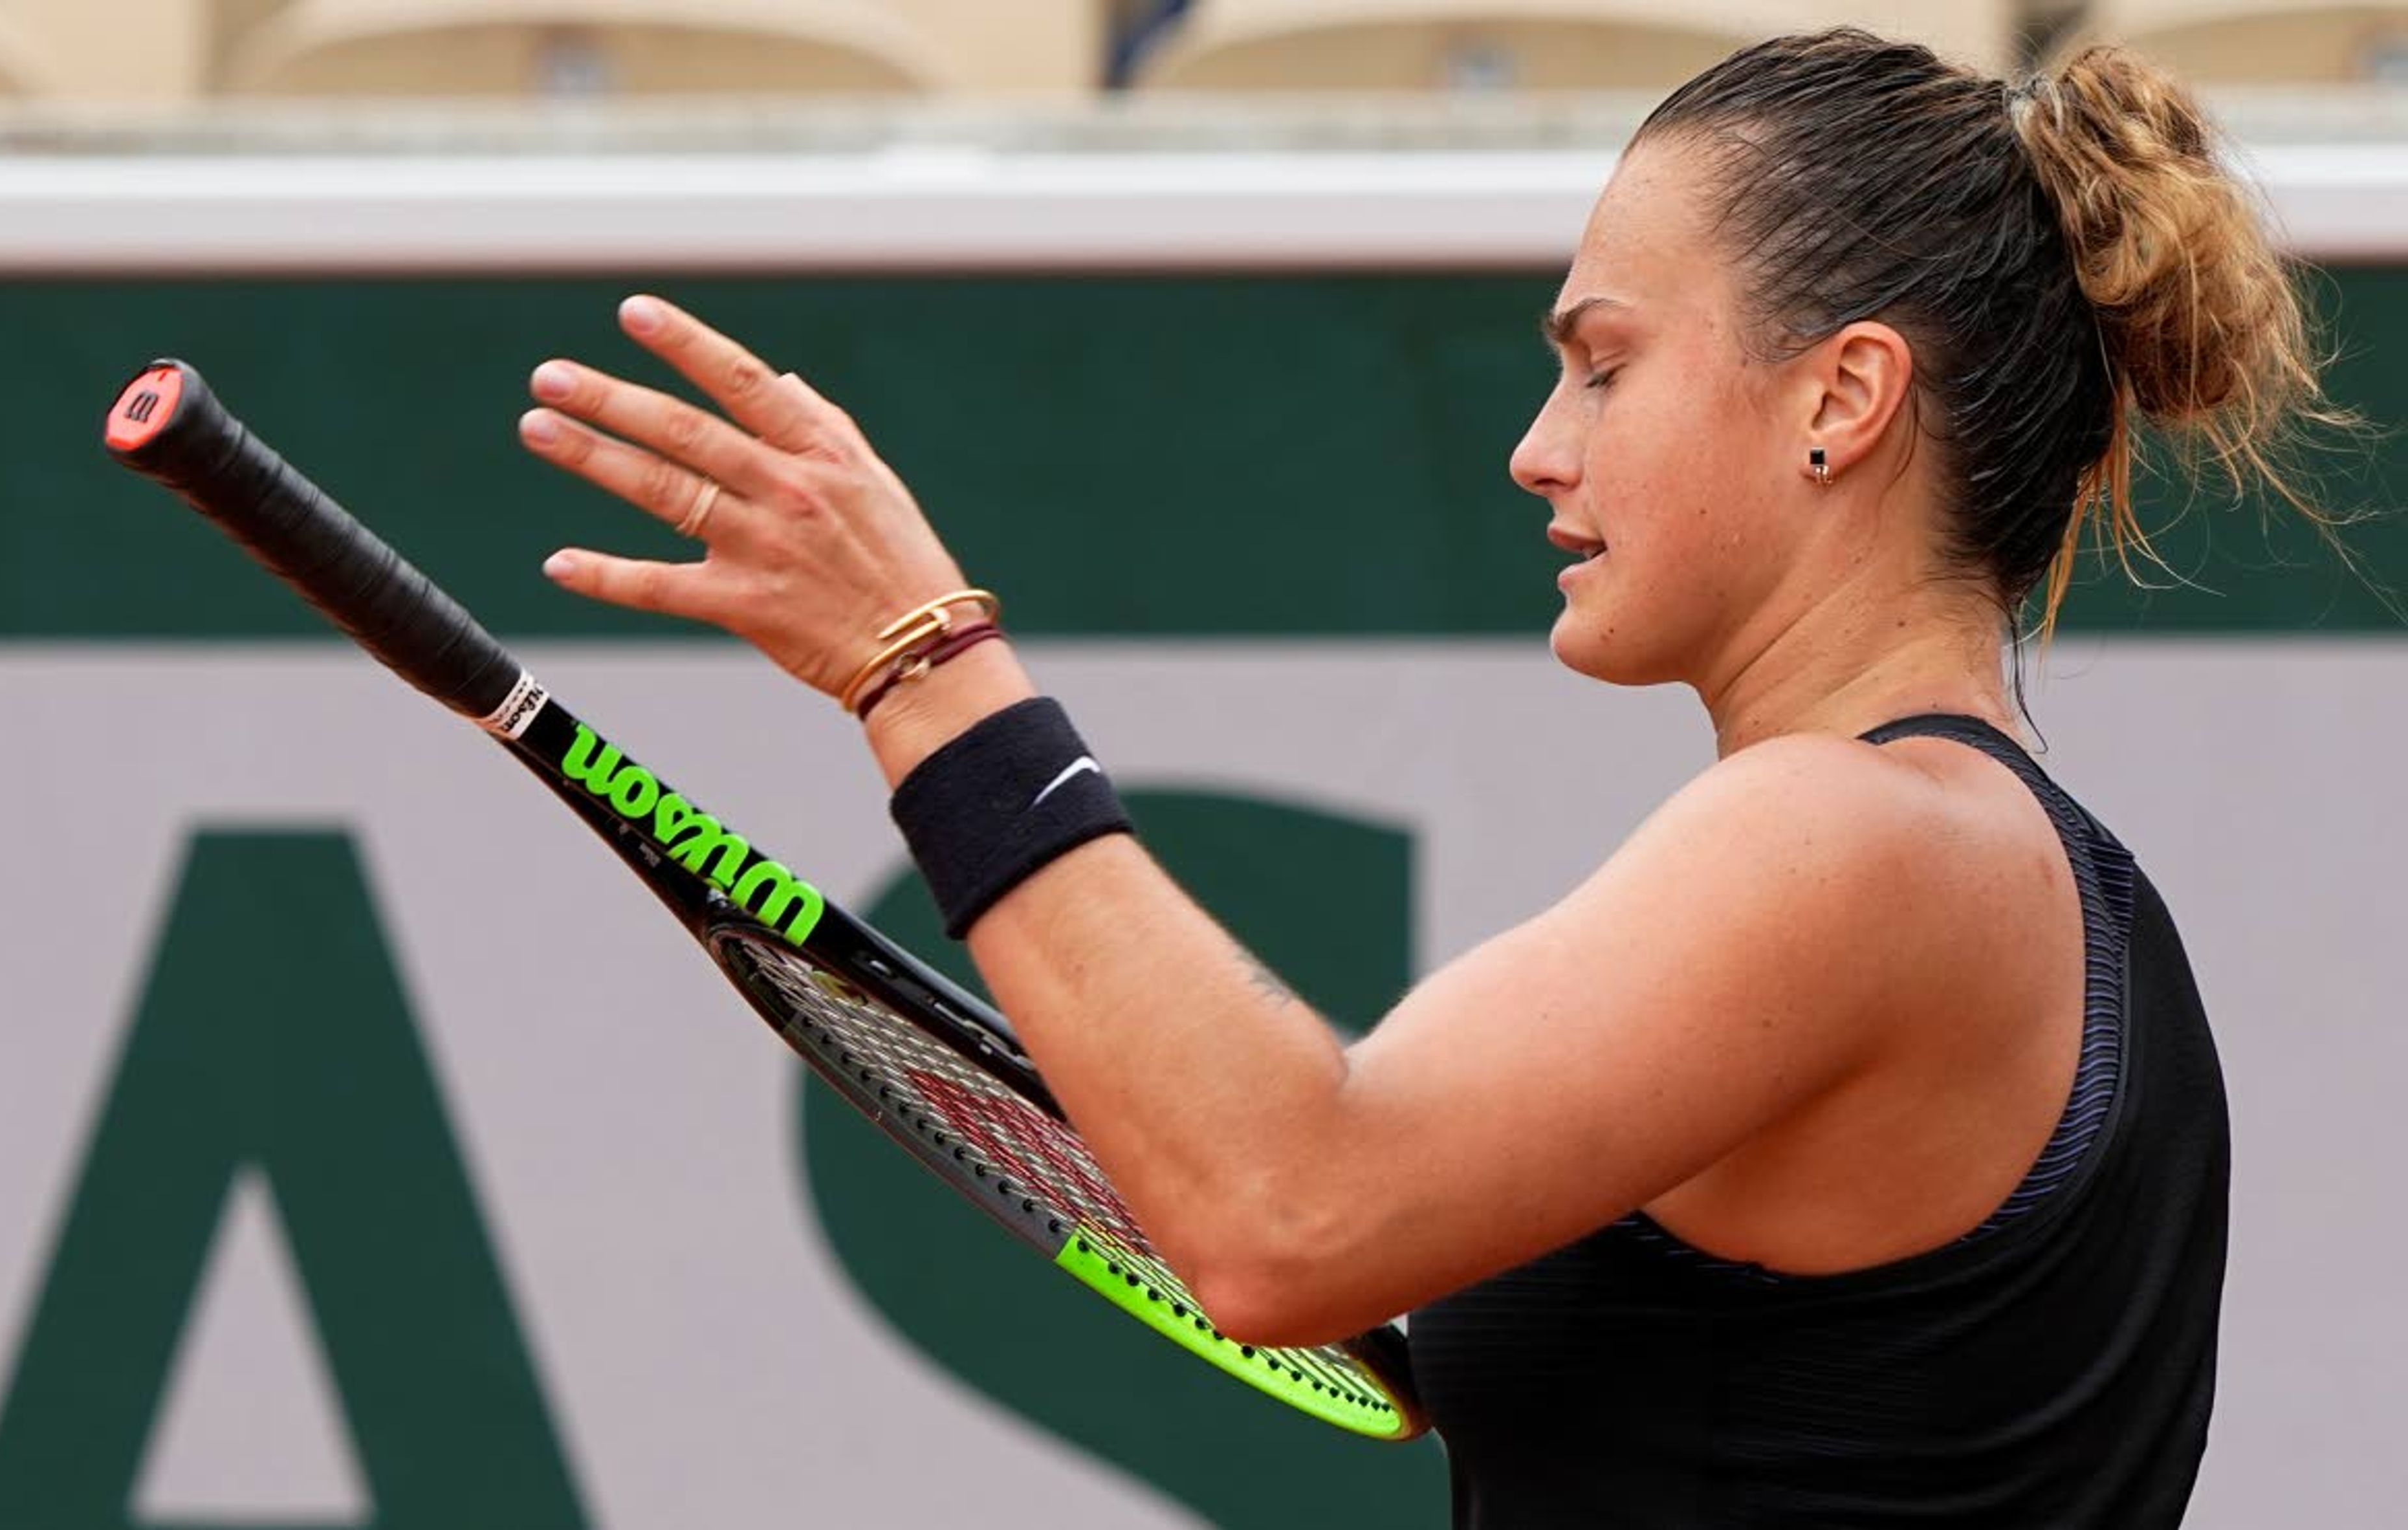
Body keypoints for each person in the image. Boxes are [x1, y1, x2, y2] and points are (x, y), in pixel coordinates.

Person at [513, 28, 2343, 1526]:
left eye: (1606, 365)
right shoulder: (2040, 886)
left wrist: (920, 663)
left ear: (1841, 399)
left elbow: (1283, 1208)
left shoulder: (1862, 843)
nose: (1542, 452)